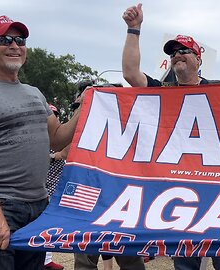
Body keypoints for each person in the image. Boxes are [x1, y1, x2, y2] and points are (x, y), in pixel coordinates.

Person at [122, 4, 220, 270]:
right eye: (173, 52)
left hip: (218, 188)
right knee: (185, 261)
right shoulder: (163, 90)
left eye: (184, 50)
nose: (177, 55)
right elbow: (129, 73)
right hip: (180, 190)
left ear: (198, 59)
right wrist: (133, 29)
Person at [0, 15, 82, 270]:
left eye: (20, 40)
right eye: (4, 39)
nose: (14, 45)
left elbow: (58, 138)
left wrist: (85, 107)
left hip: (38, 207)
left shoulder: (34, 93)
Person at [73, 81, 145, 270]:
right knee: (85, 254)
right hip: (89, 193)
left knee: (129, 255)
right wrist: (83, 105)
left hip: (121, 196)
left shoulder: (132, 126)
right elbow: (64, 150)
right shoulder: (85, 122)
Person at [44, 104, 67, 270]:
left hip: (56, 190)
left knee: (49, 227)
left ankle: (47, 259)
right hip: (41, 191)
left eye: (55, 114)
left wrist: (51, 156)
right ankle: (46, 261)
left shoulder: (60, 135)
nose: (54, 116)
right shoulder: (40, 135)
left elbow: (63, 153)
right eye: (51, 113)